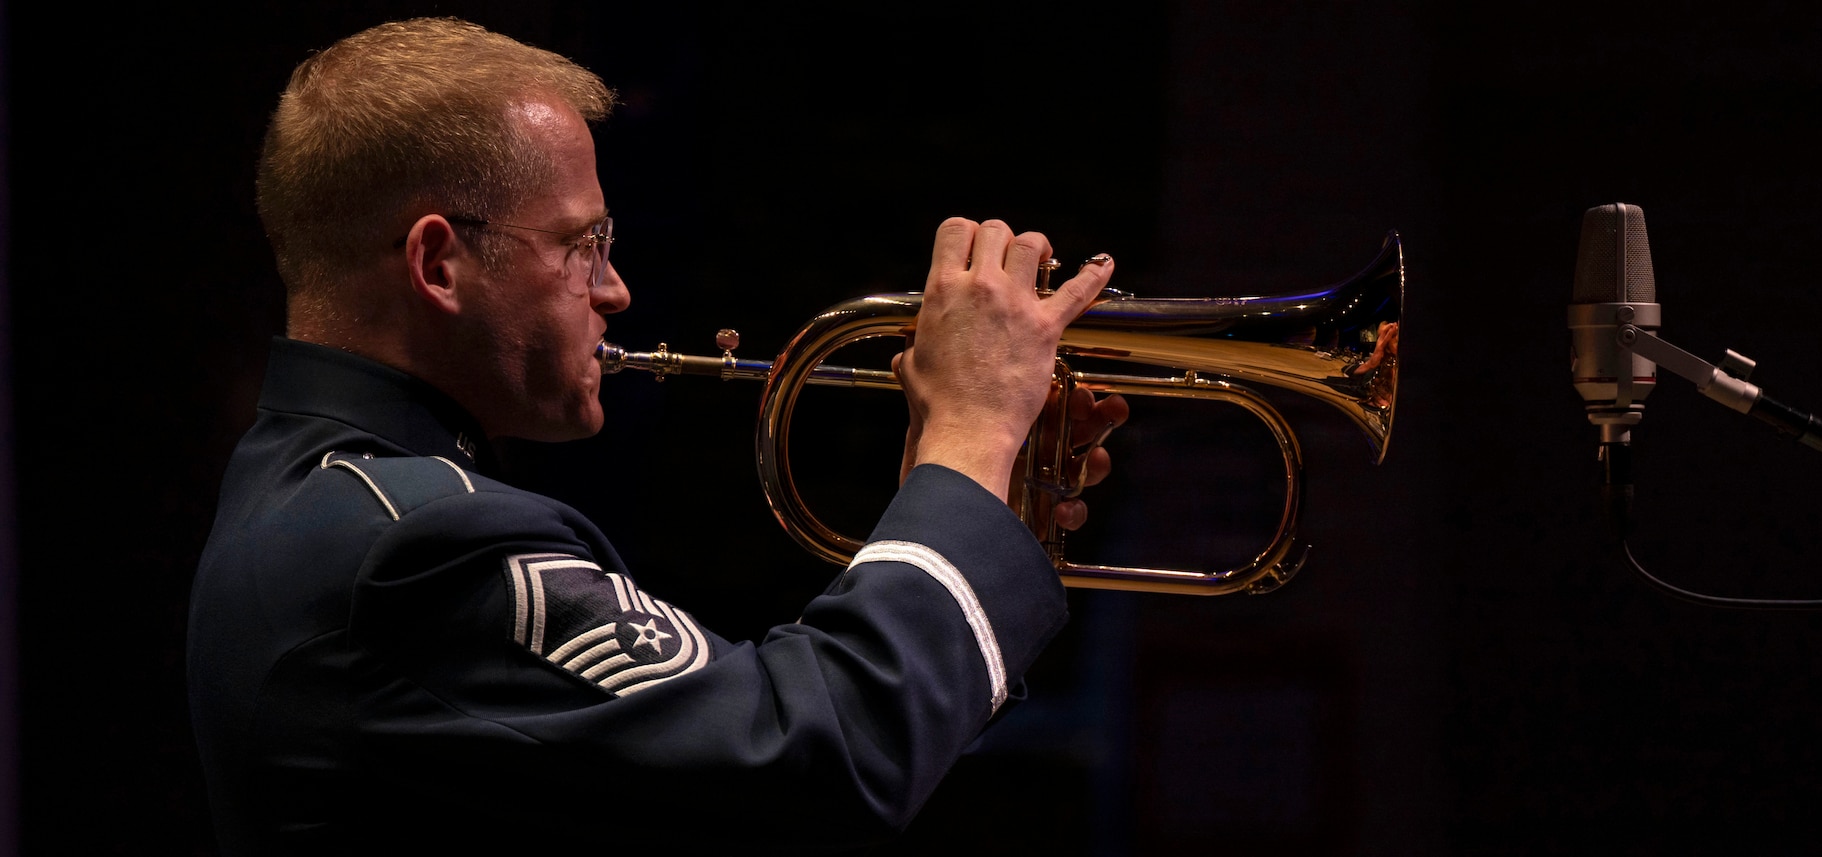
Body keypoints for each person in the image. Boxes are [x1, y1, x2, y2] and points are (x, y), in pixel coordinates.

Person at [187, 17, 1124, 855]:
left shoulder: (317, 485)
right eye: (581, 244)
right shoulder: (419, 545)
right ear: (439, 262)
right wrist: (972, 428)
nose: (615, 289)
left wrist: (978, 491)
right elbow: (823, 756)